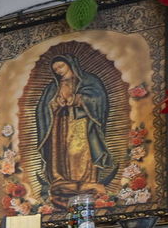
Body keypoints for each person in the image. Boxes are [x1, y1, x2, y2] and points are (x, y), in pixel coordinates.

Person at [34, 53, 116, 202]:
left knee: (78, 152)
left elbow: (98, 98)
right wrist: (55, 103)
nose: (58, 70)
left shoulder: (87, 80)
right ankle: (62, 181)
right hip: (58, 125)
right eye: (55, 69)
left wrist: (78, 99)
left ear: (70, 64)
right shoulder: (53, 87)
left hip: (80, 123)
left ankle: (86, 182)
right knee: (60, 153)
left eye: (60, 66)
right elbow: (42, 108)